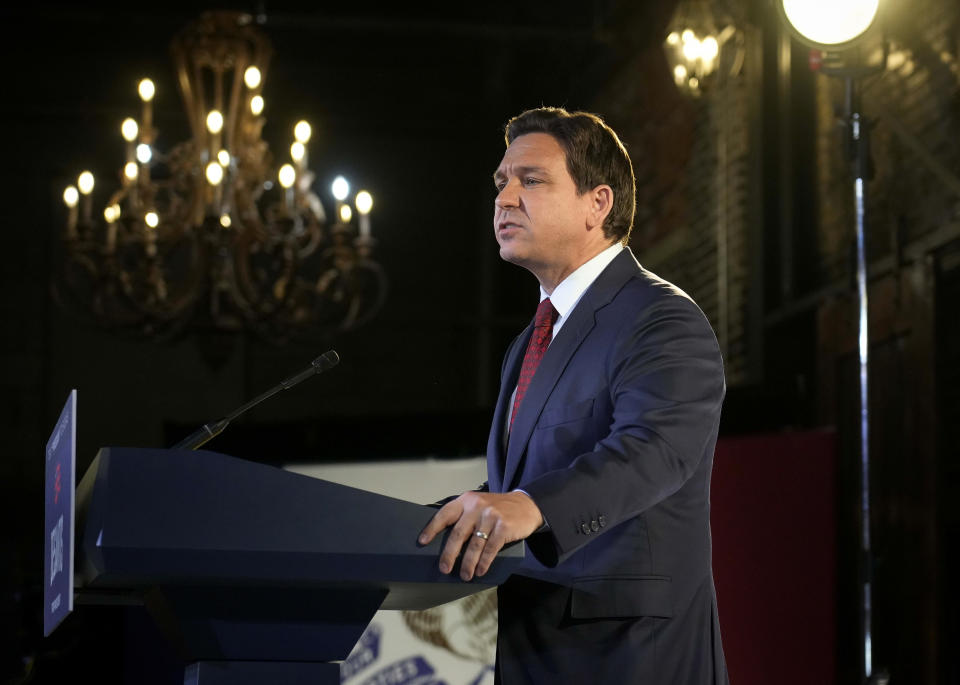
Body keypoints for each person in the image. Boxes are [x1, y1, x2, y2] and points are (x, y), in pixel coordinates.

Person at [418, 107, 728, 684]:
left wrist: (530, 506)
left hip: (630, 654)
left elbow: (656, 449)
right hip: (536, 651)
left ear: (598, 204)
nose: (505, 197)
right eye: (501, 183)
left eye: (530, 180)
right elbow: (523, 484)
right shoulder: (530, 341)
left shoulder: (661, 318)